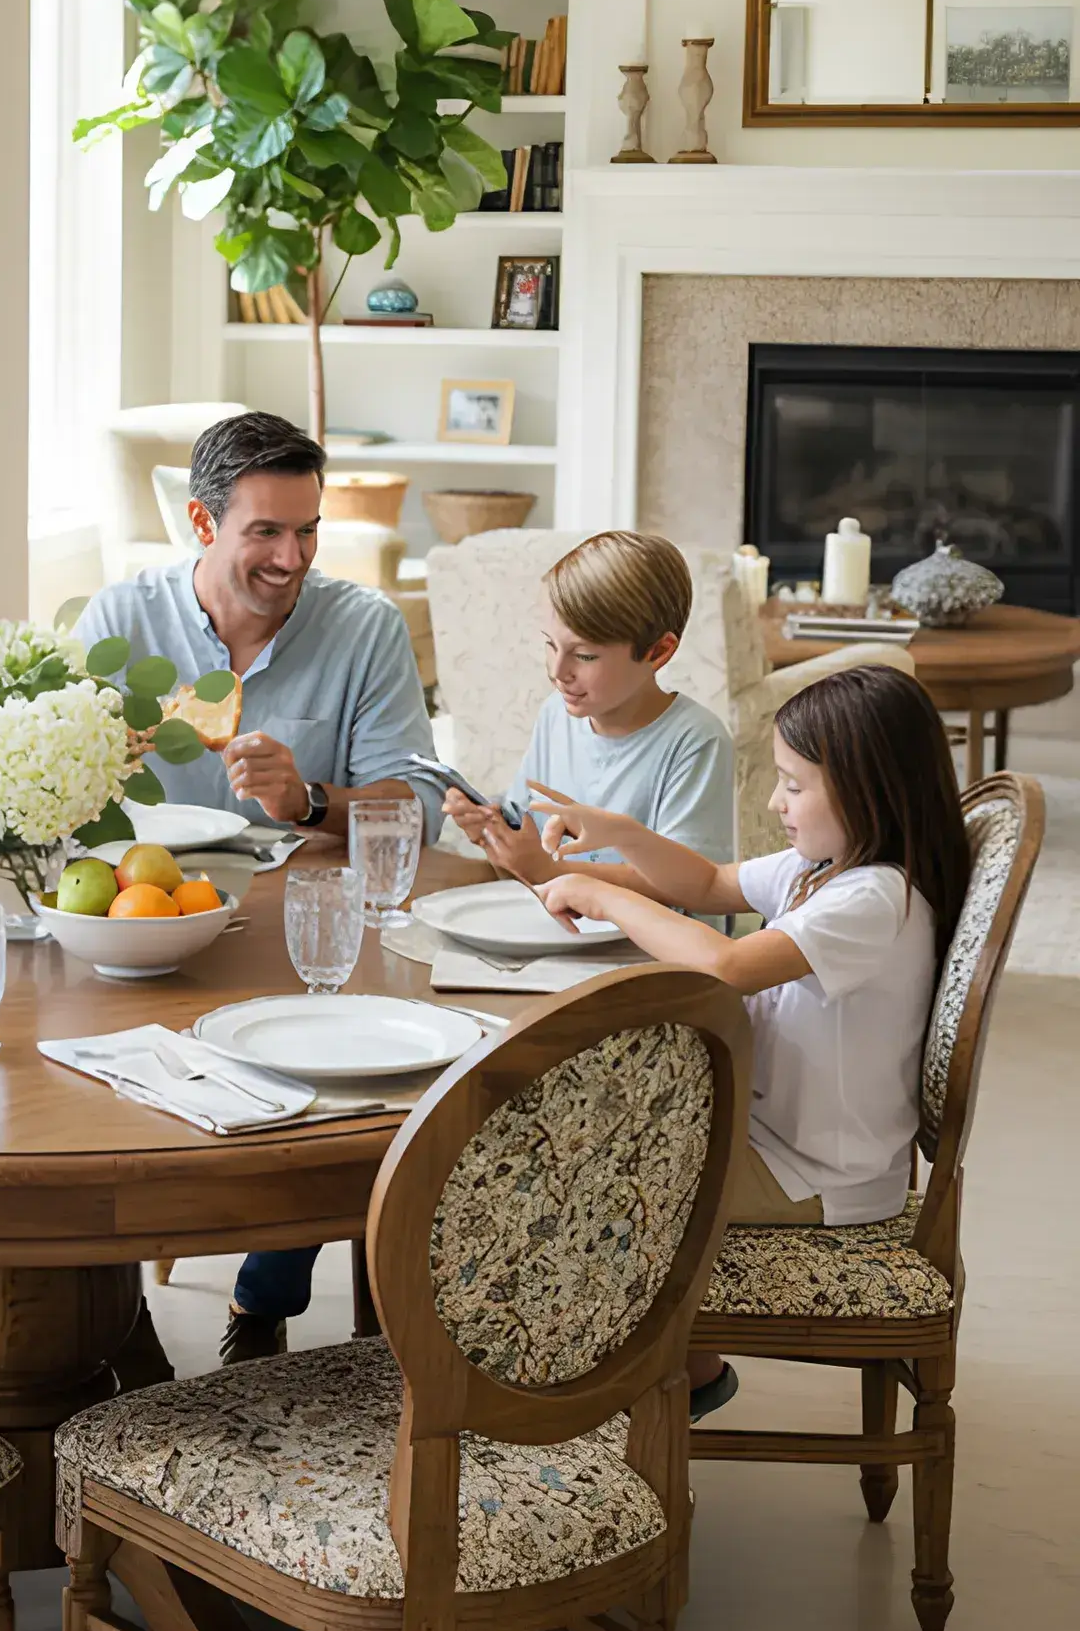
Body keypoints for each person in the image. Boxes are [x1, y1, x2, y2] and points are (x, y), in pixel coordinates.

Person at [72, 409, 441, 1365]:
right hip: (142, 921)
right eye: (265, 533)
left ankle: (264, 1300)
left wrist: (312, 799)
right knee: (75, 1078)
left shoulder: (363, 628)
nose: (292, 557)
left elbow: (421, 808)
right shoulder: (120, 622)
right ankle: (116, 1331)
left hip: (298, 921)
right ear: (201, 525)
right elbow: (60, 812)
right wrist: (88, 768)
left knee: (333, 1074)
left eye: (308, 530)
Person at [524, 663, 969, 1419]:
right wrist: (620, 837)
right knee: (581, 1132)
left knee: (582, 1179)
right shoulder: (824, 869)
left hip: (818, 1174)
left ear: (866, 786)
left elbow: (727, 964)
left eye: (794, 785)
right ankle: (666, 1361)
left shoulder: (873, 898)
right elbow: (709, 884)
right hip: (775, 1138)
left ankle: (646, 1375)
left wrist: (604, 892)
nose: (775, 801)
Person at [442, 530, 734, 877]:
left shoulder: (697, 741)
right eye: (550, 644)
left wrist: (552, 873)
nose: (557, 671)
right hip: (558, 928)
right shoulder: (555, 715)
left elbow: (695, 887)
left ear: (658, 652)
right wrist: (491, 835)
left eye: (584, 655)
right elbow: (527, 850)